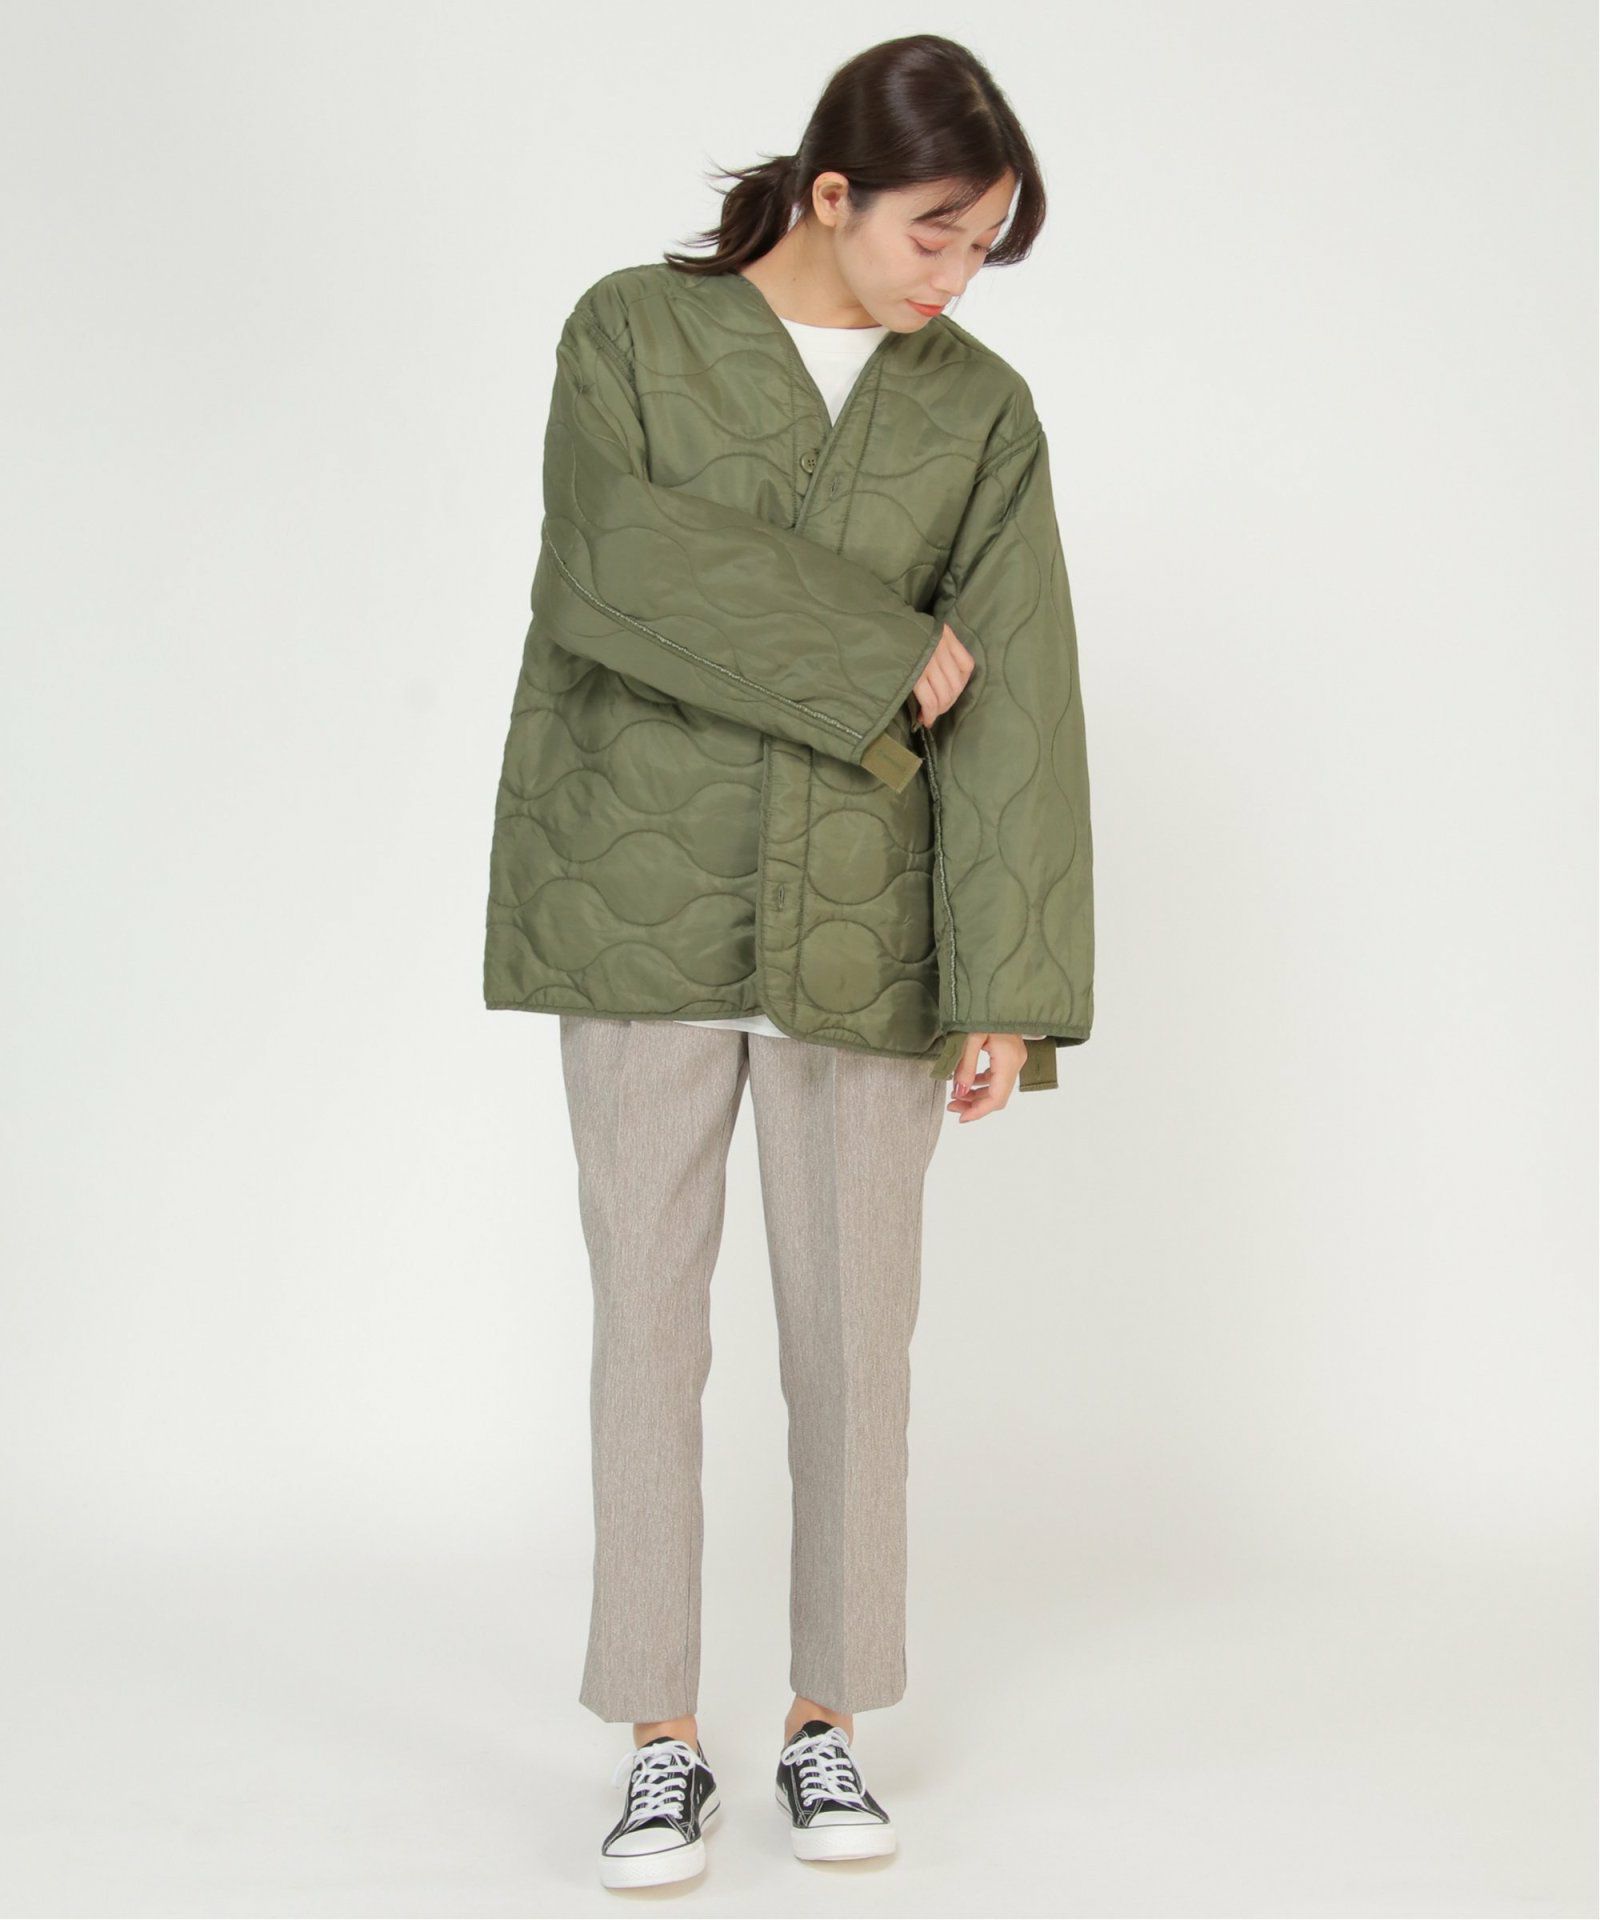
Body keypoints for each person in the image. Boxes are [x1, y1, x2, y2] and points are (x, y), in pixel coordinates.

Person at [481, 31, 1094, 1890]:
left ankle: (827, 1722)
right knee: (645, 1338)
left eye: (984, 246)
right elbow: (607, 559)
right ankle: (658, 1741)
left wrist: (1008, 988)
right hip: (641, 901)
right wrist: (875, 648)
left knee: (853, 1349)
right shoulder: (631, 334)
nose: (955, 275)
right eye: (934, 232)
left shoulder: (981, 413)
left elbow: (1021, 702)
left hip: (868, 922)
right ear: (832, 193)